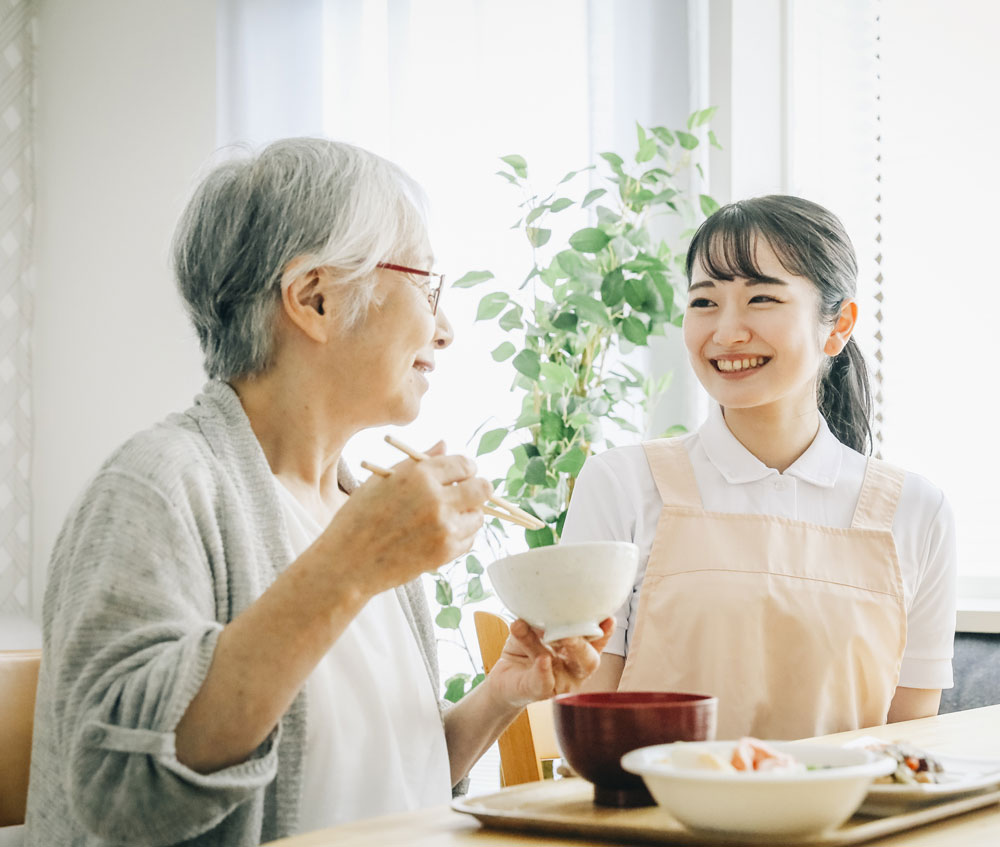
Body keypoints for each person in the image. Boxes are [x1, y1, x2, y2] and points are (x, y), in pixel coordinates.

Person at [25, 138, 613, 847]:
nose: (447, 328)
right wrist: (352, 563)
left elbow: (386, 784)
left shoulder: (353, 503)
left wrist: (499, 696)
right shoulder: (158, 486)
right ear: (314, 298)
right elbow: (126, 796)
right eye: (429, 286)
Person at [562, 195, 956, 740]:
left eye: (762, 298)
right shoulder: (622, 485)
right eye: (704, 302)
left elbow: (909, 739)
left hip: (845, 821)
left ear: (838, 325)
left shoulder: (917, 510)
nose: (726, 332)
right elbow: (591, 722)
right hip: (654, 818)